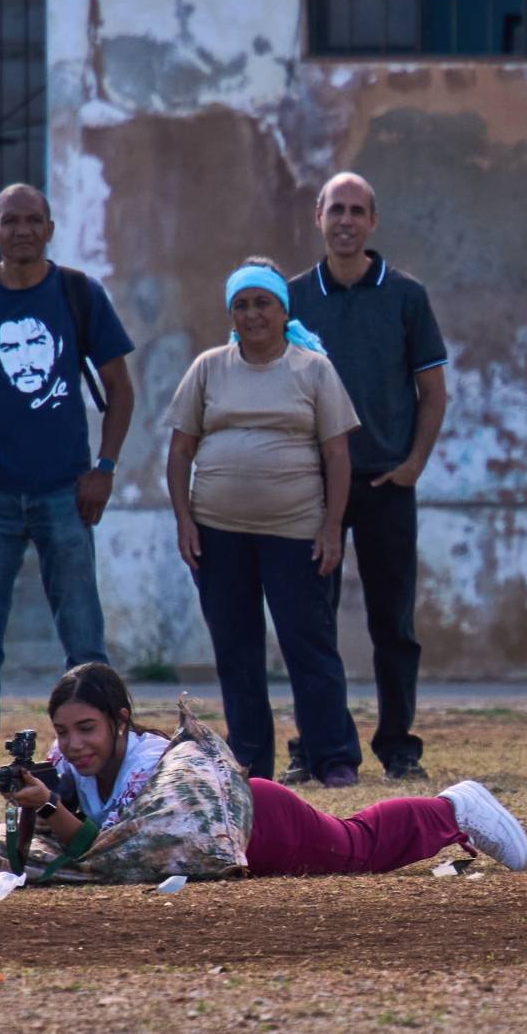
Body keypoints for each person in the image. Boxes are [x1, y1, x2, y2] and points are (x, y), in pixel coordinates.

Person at [0, 183, 136, 792]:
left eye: (32, 220)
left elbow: (121, 387)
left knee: (84, 640)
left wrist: (105, 468)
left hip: (64, 492)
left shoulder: (77, 293)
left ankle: (105, 754)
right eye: (9, 221)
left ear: (49, 228)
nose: (21, 230)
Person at [0, 664, 527, 875]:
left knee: (358, 846)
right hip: (236, 842)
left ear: (120, 720)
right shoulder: (66, 764)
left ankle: (453, 808)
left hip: (262, 824)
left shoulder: (153, 763)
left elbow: (126, 849)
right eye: (63, 731)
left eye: (86, 728)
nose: (74, 744)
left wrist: (48, 808)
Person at [165, 259, 362, 786]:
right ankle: (250, 765)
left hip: (296, 531)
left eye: (263, 303)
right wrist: (184, 520)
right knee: (236, 650)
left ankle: (333, 757)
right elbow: (181, 450)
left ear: (282, 310)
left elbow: (338, 456)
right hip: (216, 534)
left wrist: (331, 527)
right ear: (232, 313)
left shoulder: (312, 369)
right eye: (242, 305)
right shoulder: (209, 367)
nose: (253, 314)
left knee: (309, 646)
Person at [285, 173, 450, 784]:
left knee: (393, 624)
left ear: (373, 221)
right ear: (319, 217)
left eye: (357, 211)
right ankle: (315, 743)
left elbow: (432, 391)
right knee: (311, 623)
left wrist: (413, 465)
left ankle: (399, 745)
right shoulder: (292, 297)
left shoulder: (406, 296)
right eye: (337, 210)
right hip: (310, 487)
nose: (346, 221)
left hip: (385, 483)